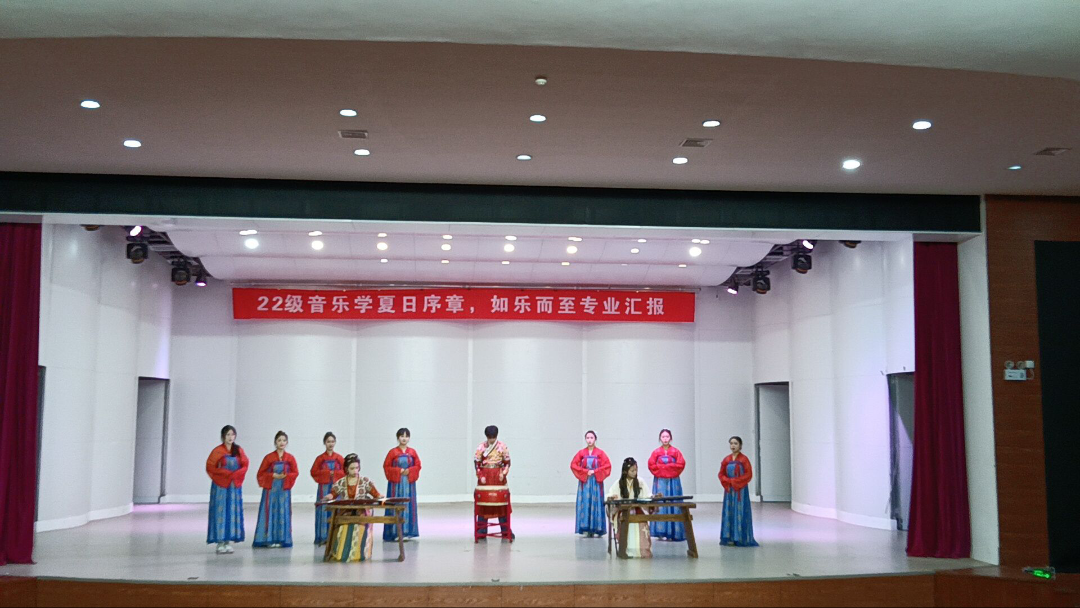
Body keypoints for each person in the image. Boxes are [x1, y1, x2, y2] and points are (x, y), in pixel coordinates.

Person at [324, 453, 384, 562]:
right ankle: (342, 554)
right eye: (352, 468)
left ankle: (360, 554)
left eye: (357, 468)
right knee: (343, 529)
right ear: (346, 469)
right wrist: (329, 496)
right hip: (346, 512)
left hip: (361, 511)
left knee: (359, 528)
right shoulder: (342, 482)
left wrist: (380, 496)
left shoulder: (365, 481)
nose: (355, 471)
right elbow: (333, 493)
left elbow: (376, 494)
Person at [206, 425, 249, 554]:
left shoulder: (238, 450)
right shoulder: (217, 451)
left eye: (232, 434)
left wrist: (237, 474)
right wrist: (224, 473)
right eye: (228, 435)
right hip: (221, 486)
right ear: (223, 436)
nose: (230, 437)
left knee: (232, 511)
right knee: (220, 511)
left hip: (234, 486)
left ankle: (228, 541)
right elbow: (210, 467)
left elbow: (245, 464)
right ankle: (220, 541)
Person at [253, 430, 299, 548]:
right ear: (275, 442)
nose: (281, 442)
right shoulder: (268, 458)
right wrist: (272, 475)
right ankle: (268, 539)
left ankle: (281, 538)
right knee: (270, 512)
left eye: (284, 440)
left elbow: (295, 472)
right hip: (271, 490)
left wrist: (286, 475)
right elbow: (260, 473)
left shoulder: (290, 458)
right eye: (279, 440)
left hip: (283, 490)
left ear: (287, 442)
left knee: (282, 512)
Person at [607, 457, 654, 558]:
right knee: (625, 519)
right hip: (624, 511)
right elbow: (610, 495)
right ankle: (626, 550)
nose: (634, 472)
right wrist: (611, 498)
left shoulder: (640, 482)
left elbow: (647, 495)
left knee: (641, 521)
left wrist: (653, 497)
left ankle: (642, 551)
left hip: (637, 510)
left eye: (636, 470)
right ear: (625, 471)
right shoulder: (619, 483)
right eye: (632, 470)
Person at [474, 425, 513, 540]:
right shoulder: (481, 447)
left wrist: (503, 473)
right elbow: (477, 463)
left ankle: (505, 530)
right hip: (485, 476)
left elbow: (507, 462)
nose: (491, 439)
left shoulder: (502, 447)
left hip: (498, 476)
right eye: (489, 437)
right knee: (483, 503)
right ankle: (481, 530)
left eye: (493, 437)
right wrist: (480, 475)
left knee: (501, 503)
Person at [382, 427, 421, 541]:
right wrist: (398, 471)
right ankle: (394, 532)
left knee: (408, 505)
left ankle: (407, 531)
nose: (404, 438)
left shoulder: (412, 452)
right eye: (402, 436)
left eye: (406, 436)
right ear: (398, 438)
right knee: (396, 504)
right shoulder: (392, 452)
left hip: (408, 483)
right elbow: (386, 466)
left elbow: (418, 465)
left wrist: (410, 470)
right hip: (396, 484)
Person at [719, 436, 758, 547]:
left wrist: (735, 481)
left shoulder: (744, 459)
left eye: (735, 443)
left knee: (740, 511)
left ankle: (740, 537)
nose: (733, 445)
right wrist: (727, 481)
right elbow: (721, 474)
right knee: (729, 511)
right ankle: (730, 537)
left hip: (740, 490)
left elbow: (748, 474)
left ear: (740, 445)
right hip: (729, 490)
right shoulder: (726, 459)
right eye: (731, 443)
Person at [648, 429, 687, 541]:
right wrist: (668, 467)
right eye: (663, 437)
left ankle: (674, 531)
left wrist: (665, 468)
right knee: (660, 502)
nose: (665, 439)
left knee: (673, 502)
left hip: (673, 480)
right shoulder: (656, 452)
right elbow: (651, 465)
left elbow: (681, 464)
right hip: (660, 481)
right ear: (660, 438)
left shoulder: (676, 451)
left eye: (667, 436)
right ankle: (661, 531)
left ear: (671, 438)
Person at [570, 430, 611, 537]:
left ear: (595, 439)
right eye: (587, 438)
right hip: (585, 482)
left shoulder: (600, 453)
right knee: (585, 502)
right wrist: (584, 471)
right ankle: (585, 527)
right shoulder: (581, 453)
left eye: (591, 438)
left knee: (596, 502)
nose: (589, 440)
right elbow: (573, 465)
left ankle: (597, 527)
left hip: (596, 482)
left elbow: (607, 466)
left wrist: (595, 471)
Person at [310, 431, 345, 545]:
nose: (331, 444)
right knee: (324, 509)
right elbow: (314, 472)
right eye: (328, 441)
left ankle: (336, 536)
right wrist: (327, 473)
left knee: (336, 509)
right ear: (324, 443)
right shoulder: (320, 458)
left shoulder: (339, 458)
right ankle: (323, 536)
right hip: (324, 488)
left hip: (336, 489)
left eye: (332, 441)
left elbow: (345, 472)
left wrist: (335, 474)